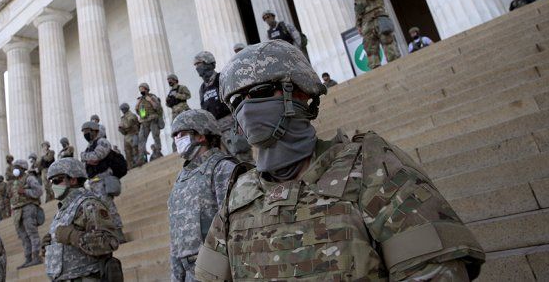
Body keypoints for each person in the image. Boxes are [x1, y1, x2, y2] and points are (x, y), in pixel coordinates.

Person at [194, 40, 485, 281]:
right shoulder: (240, 193)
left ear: (300, 91)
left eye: (257, 92)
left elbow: (434, 271)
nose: (246, 108)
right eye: (236, 101)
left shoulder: (371, 166)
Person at [168, 109, 237, 282]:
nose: (177, 140)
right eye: (175, 135)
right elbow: (175, 237)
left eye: (182, 134)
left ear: (201, 136)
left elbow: (235, 227)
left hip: (218, 270)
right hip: (190, 273)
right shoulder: (181, 178)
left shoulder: (222, 169)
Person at [42, 158, 122, 281]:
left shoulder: (89, 204)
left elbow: (108, 242)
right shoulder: (64, 209)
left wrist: (72, 235)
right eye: (52, 182)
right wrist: (49, 246)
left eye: (57, 180)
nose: (53, 186)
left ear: (73, 180)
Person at [194, 51, 253, 163]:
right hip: (217, 131)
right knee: (229, 163)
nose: (197, 67)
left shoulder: (222, 78)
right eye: (196, 65)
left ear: (209, 63)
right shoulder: (202, 88)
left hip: (232, 125)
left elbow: (237, 99)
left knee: (243, 158)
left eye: (199, 63)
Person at [81, 121, 125, 241]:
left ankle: (119, 231)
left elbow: (96, 157)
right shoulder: (89, 147)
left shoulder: (102, 142)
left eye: (87, 132)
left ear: (95, 131)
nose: (85, 134)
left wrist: (84, 156)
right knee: (97, 210)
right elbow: (88, 162)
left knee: (108, 206)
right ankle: (108, 233)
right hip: (93, 182)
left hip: (103, 180)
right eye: (84, 132)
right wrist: (87, 157)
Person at [350, 0, 400, 69]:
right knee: (370, 48)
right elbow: (358, 11)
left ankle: (396, 65)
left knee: (388, 42)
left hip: (379, 18)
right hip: (367, 23)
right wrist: (359, 26)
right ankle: (375, 68)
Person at [10, 159, 43, 268]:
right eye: (14, 167)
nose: (15, 169)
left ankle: (36, 257)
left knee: (32, 233)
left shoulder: (29, 178)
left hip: (28, 207)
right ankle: (28, 258)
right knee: (23, 236)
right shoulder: (15, 182)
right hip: (17, 210)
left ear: (23, 168)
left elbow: (39, 191)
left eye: (17, 167)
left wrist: (25, 192)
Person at [135, 82, 163, 160]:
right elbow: (138, 113)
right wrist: (137, 106)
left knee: (155, 136)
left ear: (147, 89)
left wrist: (150, 100)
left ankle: (158, 152)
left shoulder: (152, 97)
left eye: (142, 89)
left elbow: (157, 107)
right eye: (140, 89)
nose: (141, 91)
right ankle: (142, 157)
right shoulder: (139, 100)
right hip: (144, 121)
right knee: (141, 139)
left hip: (153, 120)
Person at [118, 102, 140, 168]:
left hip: (133, 134)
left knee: (135, 150)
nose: (122, 111)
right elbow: (122, 127)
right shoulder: (123, 117)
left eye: (123, 109)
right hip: (127, 136)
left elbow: (129, 124)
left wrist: (123, 127)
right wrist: (121, 129)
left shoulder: (131, 115)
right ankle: (130, 166)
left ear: (126, 109)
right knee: (127, 153)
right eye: (121, 109)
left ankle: (137, 163)